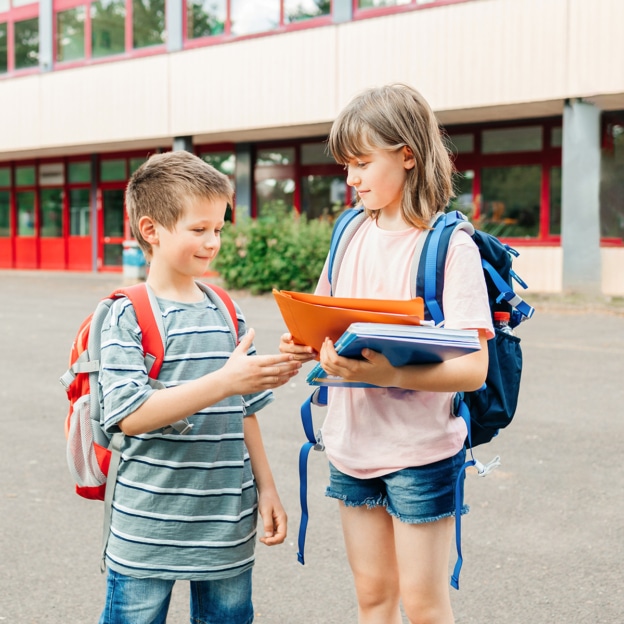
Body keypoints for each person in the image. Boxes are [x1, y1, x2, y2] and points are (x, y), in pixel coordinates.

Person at [280, 84, 494, 624]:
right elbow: (327, 316)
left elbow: (473, 369)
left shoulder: (450, 246)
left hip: (420, 453)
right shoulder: (349, 231)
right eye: (345, 165)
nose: (349, 178)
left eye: (360, 162)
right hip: (351, 446)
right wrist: (306, 345)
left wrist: (391, 372)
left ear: (407, 155)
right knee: (373, 600)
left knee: (422, 607)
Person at [98, 150, 301, 624]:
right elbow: (129, 414)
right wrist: (225, 380)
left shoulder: (225, 308)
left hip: (226, 525)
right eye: (199, 229)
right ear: (151, 230)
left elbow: (244, 409)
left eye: (219, 229)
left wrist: (267, 489)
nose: (213, 242)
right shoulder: (127, 313)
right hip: (147, 530)